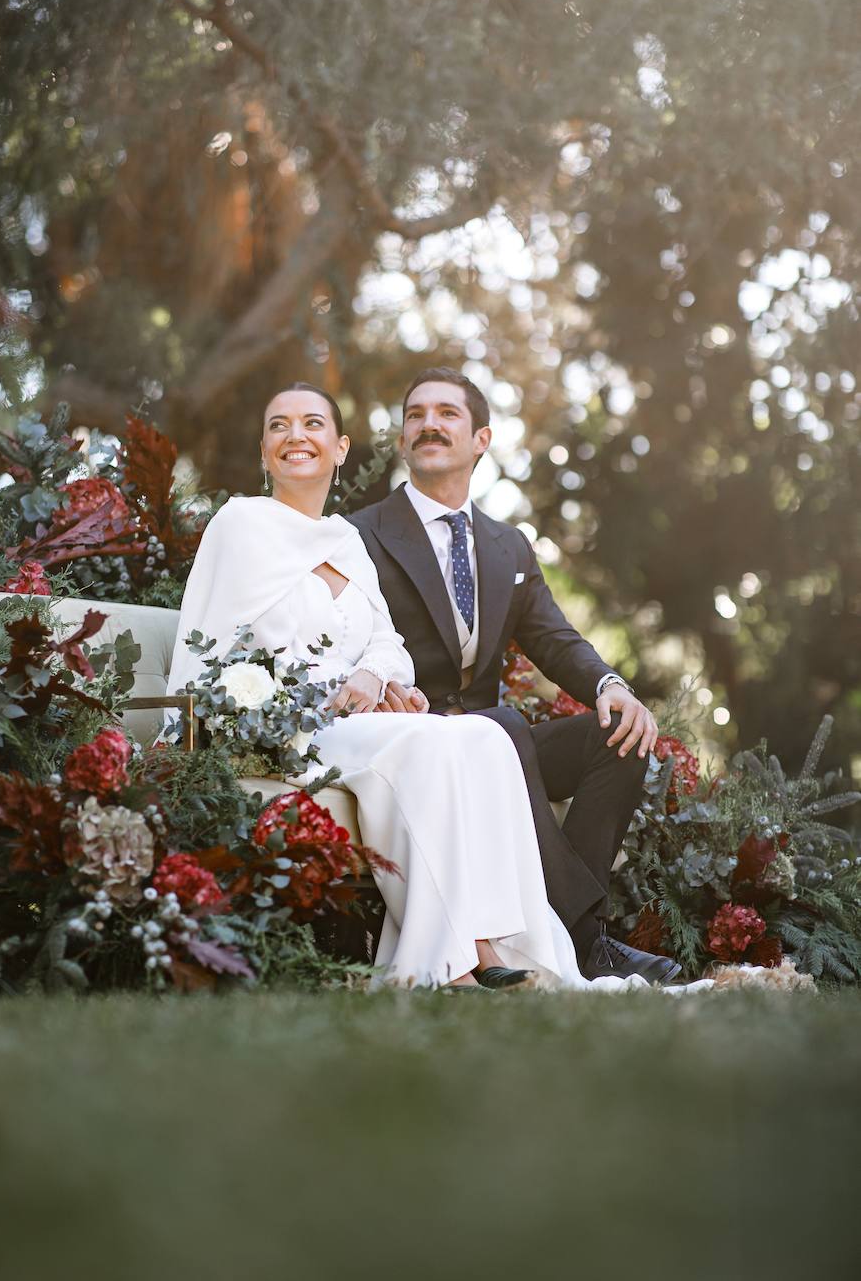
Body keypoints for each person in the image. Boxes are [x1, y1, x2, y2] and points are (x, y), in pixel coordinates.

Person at [167, 382, 681, 993]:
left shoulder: (355, 541)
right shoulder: (269, 525)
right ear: (262, 448)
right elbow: (216, 642)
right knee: (479, 733)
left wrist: (375, 676)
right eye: (279, 426)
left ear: (340, 447)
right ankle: (462, 959)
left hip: (402, 727)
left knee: (508, 738)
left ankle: (530, 942)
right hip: (305, 727)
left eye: (311, 424)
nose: (296, 436)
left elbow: (400, 642)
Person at [348, 367, 680, 984]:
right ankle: (584, 937)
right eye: (415, 414)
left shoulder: (509, 547)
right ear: (401, 441)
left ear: (481, 439)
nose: (428, 424)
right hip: (412, 742)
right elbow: (345, 635)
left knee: (621, 737)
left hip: (496, 747)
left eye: (447, 413)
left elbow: (554, 639)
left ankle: (573, 930)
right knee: (501, 723)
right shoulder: (361, 534)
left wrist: (613, 687)